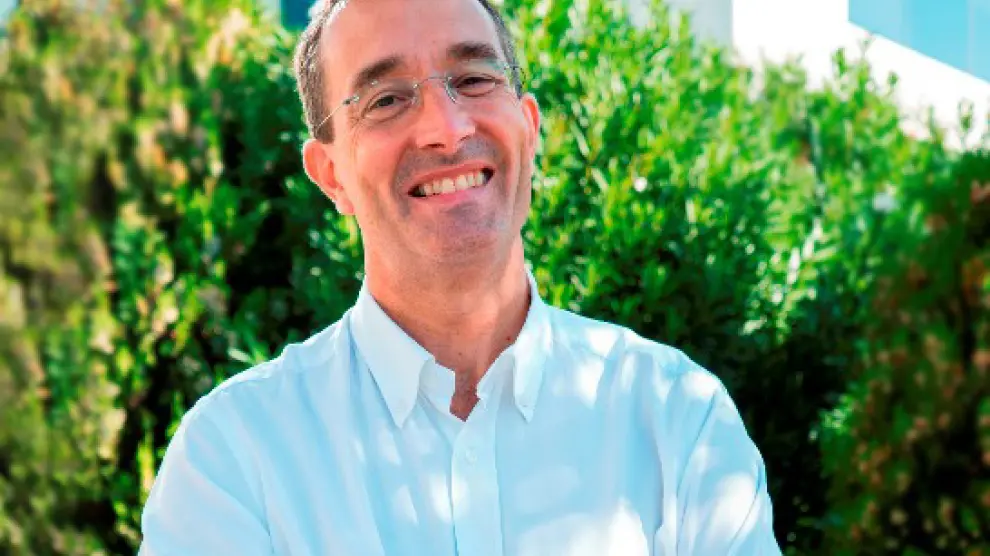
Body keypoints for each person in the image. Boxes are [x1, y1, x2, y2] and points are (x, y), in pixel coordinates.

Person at [138, 0, 782, 553]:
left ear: (528, 128)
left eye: (474, 79)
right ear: (331, 175)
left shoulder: (677, 421)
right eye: (386, 99)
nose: (446, 129)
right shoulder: (234, 459)